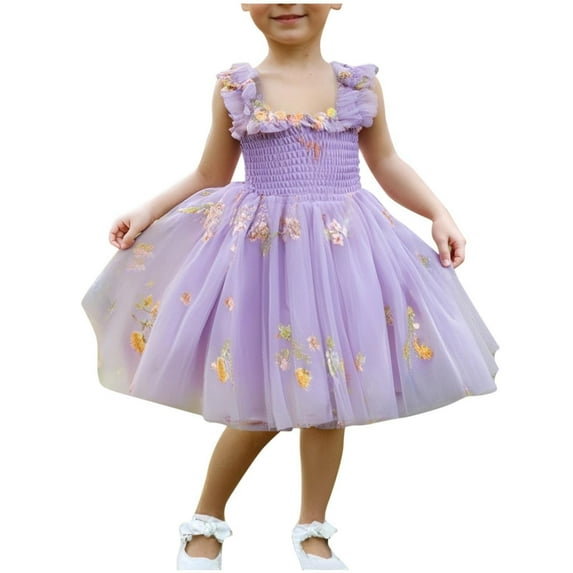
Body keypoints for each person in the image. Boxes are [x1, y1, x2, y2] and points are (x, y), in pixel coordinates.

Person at [82, 3, 498, 570]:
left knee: (331, 397)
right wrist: (148, 209)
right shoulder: (238, 88)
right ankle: (206, 519)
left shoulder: (357, 86)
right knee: (259, 400)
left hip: (343, 257)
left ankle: (313, 530)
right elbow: (209, 174)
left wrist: (439, 213)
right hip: (266, 262)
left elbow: (386, 161)